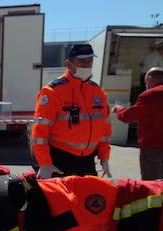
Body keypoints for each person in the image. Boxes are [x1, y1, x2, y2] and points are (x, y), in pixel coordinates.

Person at [32, 44, 112, 178]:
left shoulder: (97, 92)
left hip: (87, 161)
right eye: (82, 61)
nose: (87, 65)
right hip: (59, 159)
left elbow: (105, 129)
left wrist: (104, 156)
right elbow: (40, 132)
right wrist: (45, 163)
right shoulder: (53, 91)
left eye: (90, 61)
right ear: (69, 64)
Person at [113, 67, 163, 179]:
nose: (146, 85)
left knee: (150, 182)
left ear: (149, 79)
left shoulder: (148, 95)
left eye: (146, 83)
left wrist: (118, 109)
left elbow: (127, 117)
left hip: (152, 147)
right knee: (162, 181)